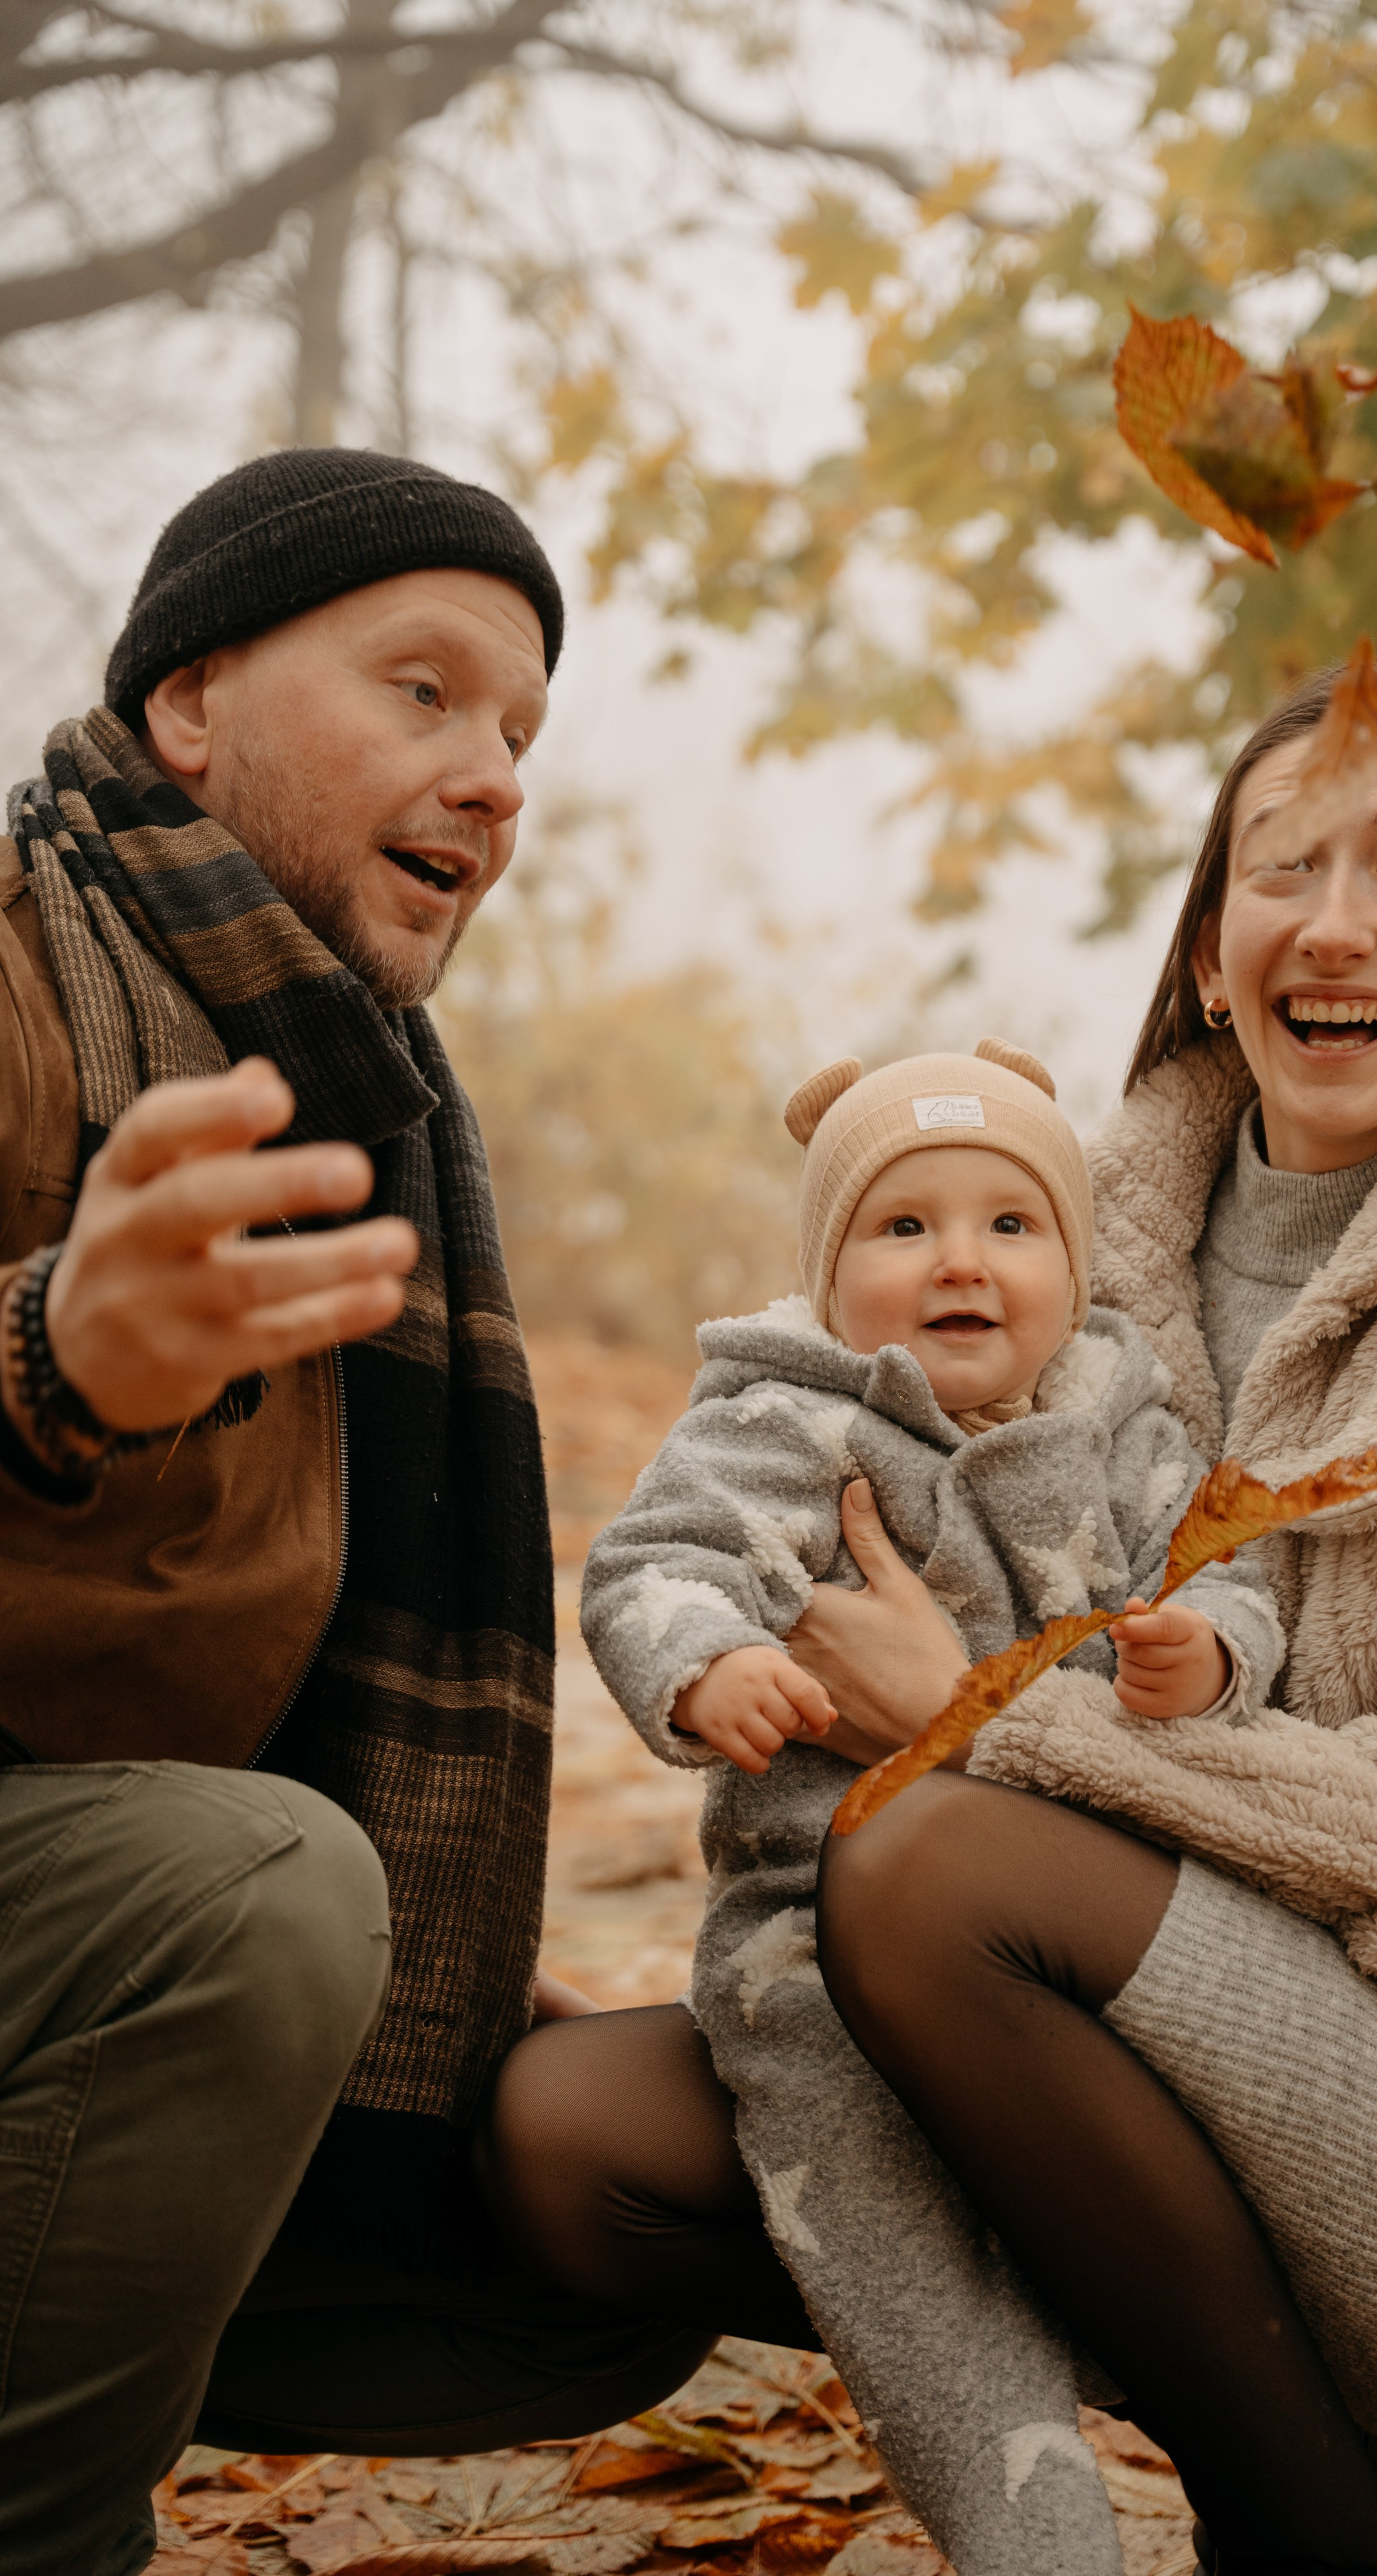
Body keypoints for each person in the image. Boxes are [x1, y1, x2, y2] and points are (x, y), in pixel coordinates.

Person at [805, 663, 1377, 2575]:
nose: (1335, 917)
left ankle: (1317, 2534)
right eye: (1280, 864)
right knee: (575, 2150)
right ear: (1216, 954)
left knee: (931, 1873)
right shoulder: (1079, 1239)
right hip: (1129, 2008)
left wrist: (981, 1714)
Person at [0, 447, 719, 2576]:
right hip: (138, 1897)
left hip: (88, 1924)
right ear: (190, 703)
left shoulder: (379, 1115)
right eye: (425, 692)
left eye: (518, 732)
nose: (493, 776)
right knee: (263, 1895)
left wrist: (446, 1995)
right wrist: (51, 1356)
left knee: (585, 2230)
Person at [562, 1040, 1280, 2573]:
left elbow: (1235, 1563)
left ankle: (1302, 2450)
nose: (960, 1261)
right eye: (902, 1228)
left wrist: (1210, 1648)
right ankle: (1031, 2533)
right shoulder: (791, 1420)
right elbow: (653, 1562)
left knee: (1160, 2160)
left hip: (1073, 1921)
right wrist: (710, 1665)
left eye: (1009, 1225)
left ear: (1071, 1265)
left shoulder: (1124, 1421)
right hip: (814, 1934)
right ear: (829, 1275)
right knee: (888, 2230)